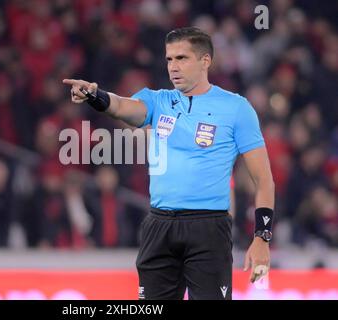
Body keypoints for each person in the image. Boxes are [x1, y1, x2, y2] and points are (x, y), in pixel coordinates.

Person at [63, 27, 275, 300]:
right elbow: (123, 107)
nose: (173, 67)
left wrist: (262, 238)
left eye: (182, 58)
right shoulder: (158, 100)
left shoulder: (236, 108)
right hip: (159, 226)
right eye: (169, 59)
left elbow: (264, 179)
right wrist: (96, 96)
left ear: (205, 61)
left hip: (208, 228)